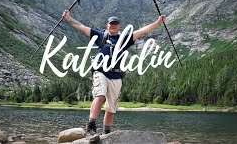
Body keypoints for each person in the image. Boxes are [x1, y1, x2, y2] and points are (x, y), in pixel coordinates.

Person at [62, 10, 166, 142]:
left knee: (112, 107)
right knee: (100, 95)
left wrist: (158, 22)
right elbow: (81, 27)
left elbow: (142, 31)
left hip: (116, 76)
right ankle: (91, 127)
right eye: (111, 23)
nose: (113, 25)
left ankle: (106, 132)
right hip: (100, 71)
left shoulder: (125, 39)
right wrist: (69, 18)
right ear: (107, 25)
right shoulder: (100, 36)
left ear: (119, 26)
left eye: (115, 24)